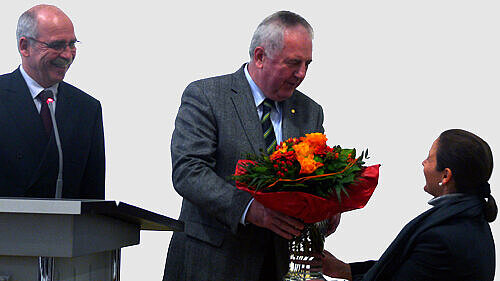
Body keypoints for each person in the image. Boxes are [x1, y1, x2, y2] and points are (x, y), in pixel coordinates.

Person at [164, 10, 339, 281]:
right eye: (293, 63)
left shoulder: (310, 111)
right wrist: (251, 209)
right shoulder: (206, 96)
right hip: (213, 265)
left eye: (307, 63)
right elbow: (189, 171)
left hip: (281, 266)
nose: (301, 73)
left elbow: (316, 177)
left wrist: (328, 206)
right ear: (260, 56)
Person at [310, 129, 496, 280]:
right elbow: (405, 268)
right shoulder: (471, 219)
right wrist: (345, 270)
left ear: (446, 176)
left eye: (429, 158)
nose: (423, 163)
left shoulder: (442, 237)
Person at [0, 5, 105, 199]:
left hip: (63, 229)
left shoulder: (87, 109)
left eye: (72, 44)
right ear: (25, 47)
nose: (67, 55)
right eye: (57, 46)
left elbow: (93, 199)